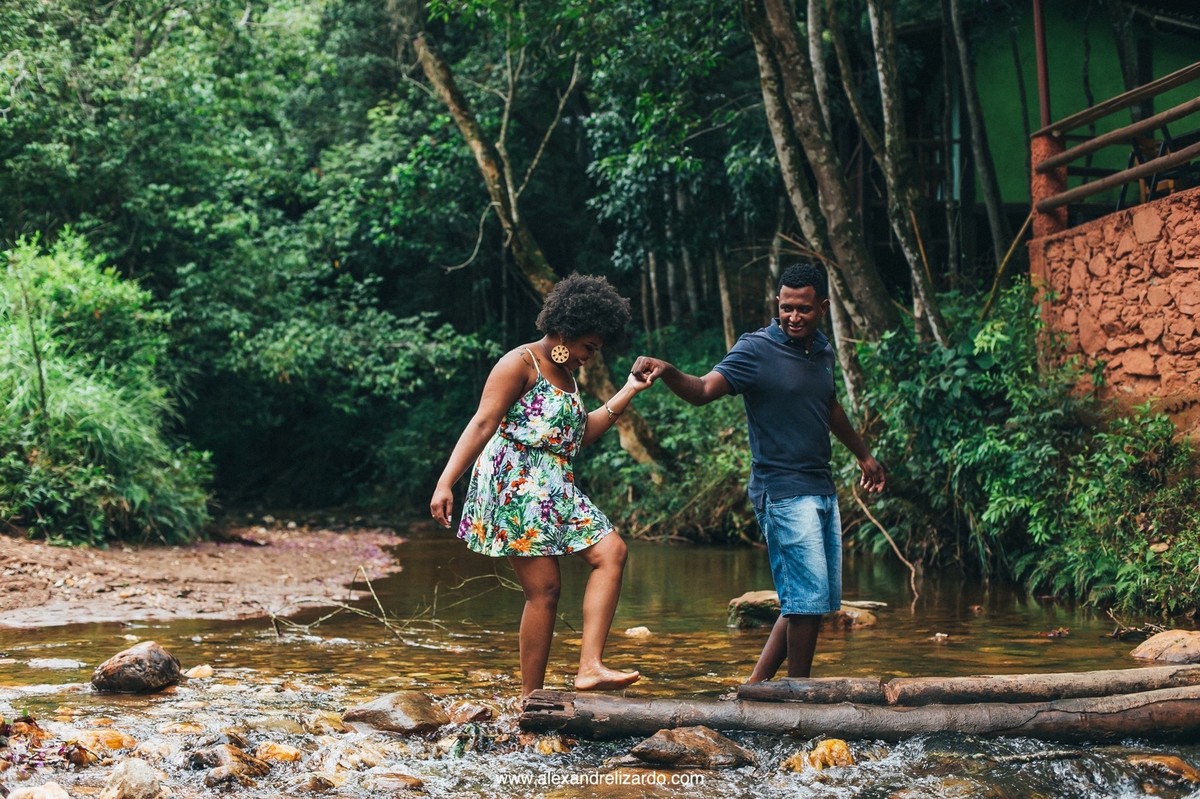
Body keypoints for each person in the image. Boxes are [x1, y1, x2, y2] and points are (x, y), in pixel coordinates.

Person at [632, 262, 885, 683]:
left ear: (821, 307)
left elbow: (828, 406)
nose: (793, 317)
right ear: (777, 304)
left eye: (803, 309)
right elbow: (703, 390)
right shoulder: (755, 349)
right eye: (786, 308)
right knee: (805, 603)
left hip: (820, 485)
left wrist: (863, 455)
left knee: (811, 601)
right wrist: (669, 371)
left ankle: (756, 687)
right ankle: (798, 695)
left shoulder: (821, 349)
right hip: (781, 490)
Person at [430, 273, 648, 699]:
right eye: (589, 347)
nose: (589, 357)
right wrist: (445, 482)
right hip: (514, 482)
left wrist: (629, 389)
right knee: (545, 589)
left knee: (612, 553)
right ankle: (532, 698)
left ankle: (590, 667)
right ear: (566, 331)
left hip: (554, 483)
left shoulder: (567, 372)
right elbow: (482, 423)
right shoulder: (519, 364)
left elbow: (579, 434)